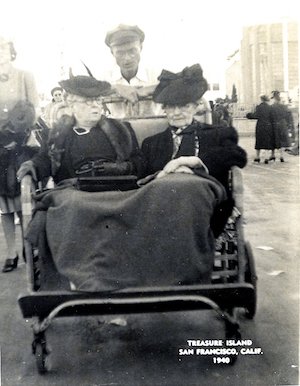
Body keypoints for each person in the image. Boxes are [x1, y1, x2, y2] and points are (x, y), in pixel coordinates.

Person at [0, 35, 39, 273]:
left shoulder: (24, 76)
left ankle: (29, 249)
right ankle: (11, 252)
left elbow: (33, 108)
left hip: (22, 143)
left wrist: (18, 136)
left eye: (2, 47)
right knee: (4, 203)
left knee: (24, 198)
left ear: (11, 51)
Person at [103, 24, 163, 118]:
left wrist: (149, 89)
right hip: (119, 130)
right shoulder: (105, 77)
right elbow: (84, 90)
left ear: (141, 47)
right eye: (120, 53)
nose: (127, 58)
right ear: (112, 52)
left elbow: (184, 84)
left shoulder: (157, 74)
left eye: (132, 51)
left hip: (154, 129)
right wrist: (115, 88)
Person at [246, 95, 273, 164]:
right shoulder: (270, 107)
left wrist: (248, 115)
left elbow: (255, 116)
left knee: (259, 141)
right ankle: (266, 158)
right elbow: (272, 117)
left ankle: (257, 157)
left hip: (260, 125)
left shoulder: (258, 107)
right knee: (267, 141)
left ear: (261, 99)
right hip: (268, 126)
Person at [269, 90, 291, 162]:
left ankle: (273, 155)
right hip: (282, 123)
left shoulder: (272, 107)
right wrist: (287, 124)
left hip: (274, 124)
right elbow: (288, 115)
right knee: (281, 140)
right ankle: (281, 156)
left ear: (274, 98)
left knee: (273, 139)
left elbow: (270, 116)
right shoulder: (284, 106)